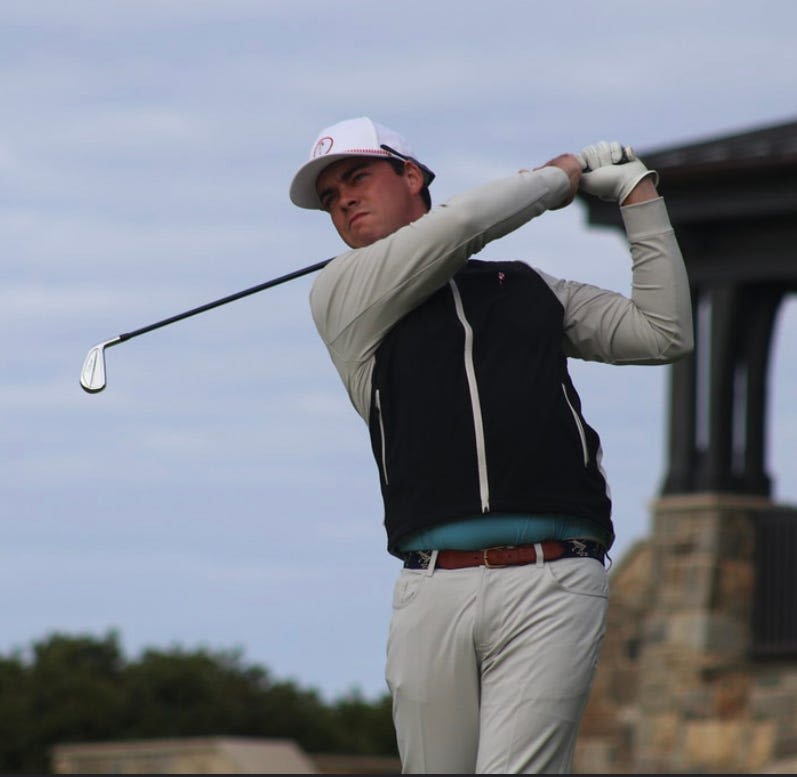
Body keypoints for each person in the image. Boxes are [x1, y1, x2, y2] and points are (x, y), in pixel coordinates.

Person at [289, 116, 693, 774]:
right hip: (430, 588)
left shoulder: (529, 288)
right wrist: (558, 176)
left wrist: (639, 200)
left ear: (411, 175)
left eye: (357, 178)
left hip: (554, 576)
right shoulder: (343, 293)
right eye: (331, 198)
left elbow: (662, 332)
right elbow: (459, 225)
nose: (344, 201)